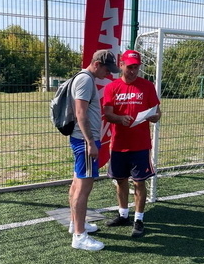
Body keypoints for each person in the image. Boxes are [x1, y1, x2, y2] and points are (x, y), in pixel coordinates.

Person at [103, 49, 161, 238]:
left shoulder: (147, 86)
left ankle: (139, 219)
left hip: (140, 144)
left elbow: (157, 112)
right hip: (119, 144)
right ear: (121, 65)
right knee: (120, 180)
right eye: (129, 67)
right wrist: (120, 119)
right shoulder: (112, 87)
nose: (133, 71)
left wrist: (155, 116)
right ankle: (123, 215)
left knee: (139, 182)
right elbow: (108, 114)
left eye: (136, 67)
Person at [69, 49, 120, 251]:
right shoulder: (86, 80)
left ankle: (76, 224)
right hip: (84, 141)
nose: (108, 74)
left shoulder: (84, 78)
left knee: (77, 184)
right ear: (97, 64)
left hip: (81, 139)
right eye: (107, 69)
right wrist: (90, 141)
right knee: (83, 188)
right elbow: (80, 113)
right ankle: (79, 236)